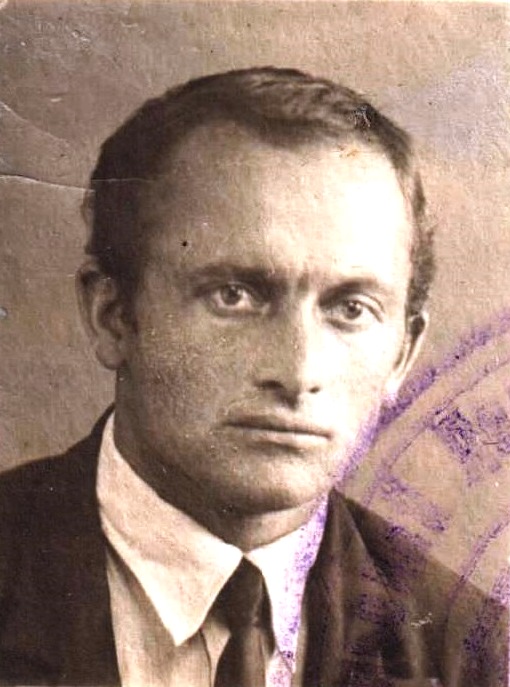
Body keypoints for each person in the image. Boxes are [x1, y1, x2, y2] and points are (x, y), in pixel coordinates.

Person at [0, 67, 506, 686]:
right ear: (113, 316)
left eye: (350, 309)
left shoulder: (475, 658)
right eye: (234, 295)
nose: (297, 372)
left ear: (402, 352)